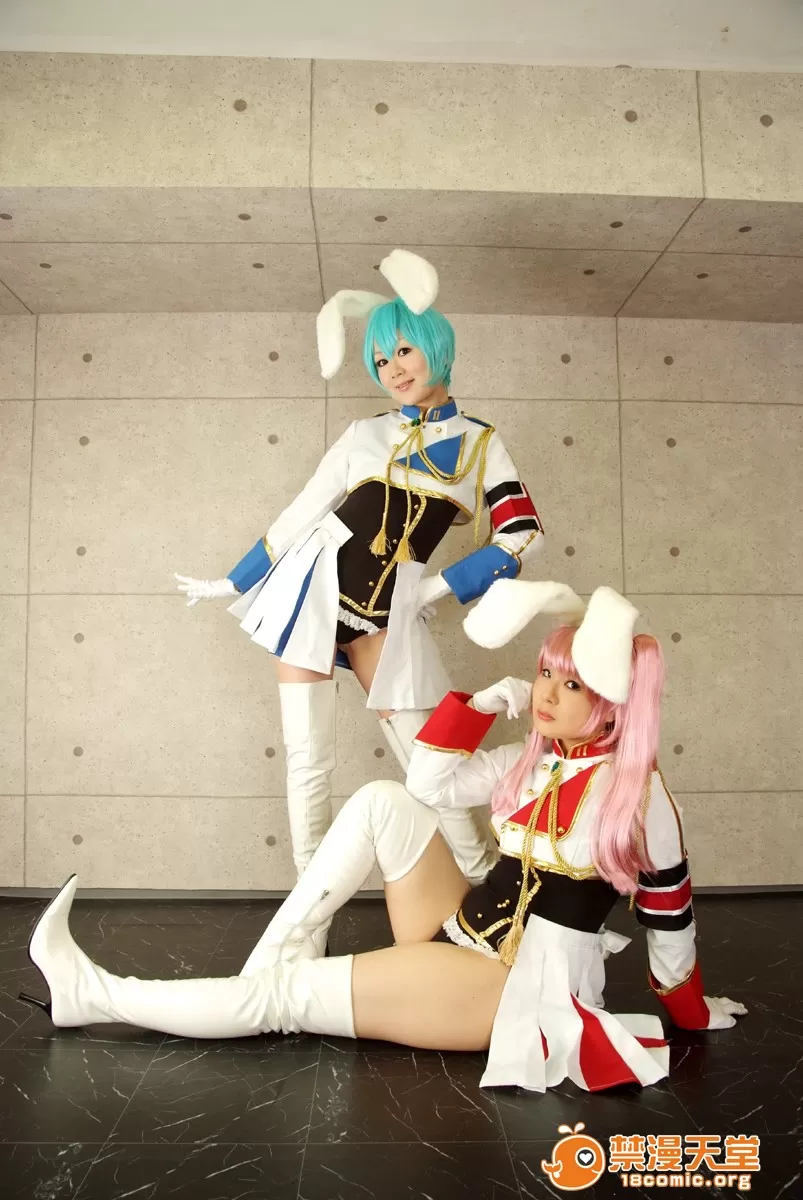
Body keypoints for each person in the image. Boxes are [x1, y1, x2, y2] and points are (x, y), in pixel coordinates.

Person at [20, 583, 746, 1094]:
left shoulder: (640, 797)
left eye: (573, 684)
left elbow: (670, 921)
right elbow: (427, 783)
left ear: (614, 701)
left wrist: (692, 1012)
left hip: (511, 983)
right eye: (544, 675)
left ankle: (98, 995)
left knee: (285, 998)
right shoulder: (529, 761)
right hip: (456, 927)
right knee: (382, 799)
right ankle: (276, 957)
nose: (547, 694)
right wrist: (475, 706)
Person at [175, 250, 544, 949]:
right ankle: (305, 927)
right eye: (379, 359)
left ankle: (489, 905)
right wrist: (234, 580)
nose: (392, 369)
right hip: (310, 591)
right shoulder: (363, 434)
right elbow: (300, 513)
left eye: (402, 350)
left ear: (435, 346)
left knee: (432, 761)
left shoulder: (480, 444)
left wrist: (437, 587)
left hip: (388, 612)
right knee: (308, 759)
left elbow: (522, 533)